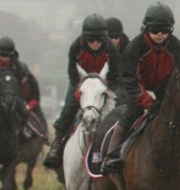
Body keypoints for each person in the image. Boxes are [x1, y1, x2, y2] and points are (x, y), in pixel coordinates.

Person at [100, 2, 180, 175]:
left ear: (170, 30)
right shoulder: (135, 47)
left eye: (164, 30)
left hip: (164, 87)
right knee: (131, 115)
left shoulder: (176, 45)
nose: (159, 35)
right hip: (138, 87)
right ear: (146, 28)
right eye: (155, 30)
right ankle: (112, 156)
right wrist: (147, 102)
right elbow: (129, 79)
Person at [43, 13, 122, 169]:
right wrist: (77, 90)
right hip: (81, 84)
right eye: (91, 40)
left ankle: (119, 148)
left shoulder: (111, 50)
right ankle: (57, 144)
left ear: (104, 38)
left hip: (103, 87)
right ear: (85, 38)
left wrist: (107, 91)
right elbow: (72, 74)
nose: (94, 44)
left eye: (98, 40)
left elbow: (116, 76)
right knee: (68, 109)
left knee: (121, 110)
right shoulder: (75, 47)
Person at [0, 36, 47, 135]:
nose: (5, 58)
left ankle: (24, 131)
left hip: (14, 96)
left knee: (22, 111)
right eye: (2, 55)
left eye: (7, 56)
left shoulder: (18, 67)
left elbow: (23, 87)